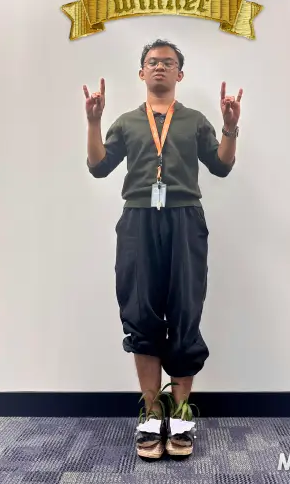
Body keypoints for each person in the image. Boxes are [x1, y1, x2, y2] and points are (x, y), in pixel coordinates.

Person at [85, 40, 243, 460]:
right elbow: (98, 166)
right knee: (141, 313)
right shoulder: (126, 122)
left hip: (185, 220)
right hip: (138, 221)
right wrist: (94, 122)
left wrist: (230, 128)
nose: (160, 67)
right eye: (152, 62)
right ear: (141, 72)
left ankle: (182, 413)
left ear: (179, 74)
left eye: (168, 63)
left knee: (186, 313)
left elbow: (221, 166)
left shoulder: (194, 121)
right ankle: (152, 415)